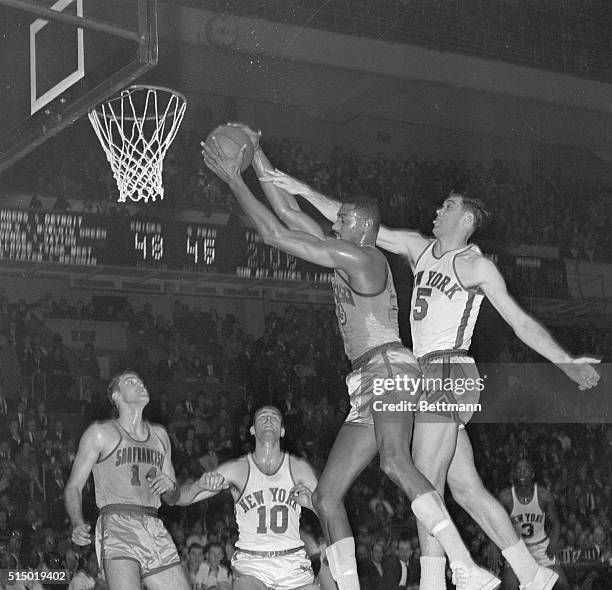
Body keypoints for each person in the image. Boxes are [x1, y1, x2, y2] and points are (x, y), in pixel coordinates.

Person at [261, 168, 600, 590]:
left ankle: (436, 581)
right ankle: (533, 574)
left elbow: (519, 323)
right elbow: (355, 225)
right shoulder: (419, 248)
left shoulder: (474, 264)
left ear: (467, 220)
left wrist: (565, 361)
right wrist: (301, 189)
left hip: (449, 369)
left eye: (448, 207)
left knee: (424, 477)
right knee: (466, 489)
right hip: (423, 373)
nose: (438, 210)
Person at [202, 131, 499, 590]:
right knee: (325, 496)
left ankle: (462, 565)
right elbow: (287, 210)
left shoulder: (361, 255)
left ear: (360, 226)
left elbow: (274, 233)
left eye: (341, 218)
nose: (333, 222)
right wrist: (257, 153)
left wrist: (233, 180)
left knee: (397, 463)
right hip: (368, 377)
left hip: (390, 370)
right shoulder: (346, 250)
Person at [64, 370, 190, 590]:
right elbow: (73, 487)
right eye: (131, 382)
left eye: (142, 381)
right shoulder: (100, 433)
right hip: (117, 524)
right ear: (116, 395)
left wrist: (171, 487)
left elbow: (172, 497)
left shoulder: (160, 435)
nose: (141, 384)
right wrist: (77, 522)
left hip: (153, 525)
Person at [173, 405, 319, 590]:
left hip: (292, 560)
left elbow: (330, 512)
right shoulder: (236, 469)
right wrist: (198, 486)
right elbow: (181, 498)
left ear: (282, 430)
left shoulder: (300, 468)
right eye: (262, 417)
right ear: (252, 429)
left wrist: (312, 505)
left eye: (274, 416)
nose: (268, 419)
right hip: (252, 562)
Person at [499, 460, 570, 590]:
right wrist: (493, 548)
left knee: (563, 584)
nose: (522, 472)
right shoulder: (506, 497)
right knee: (510, 586)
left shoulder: (544, 495)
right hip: (517, 548)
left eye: (525, 469)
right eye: (519, 469)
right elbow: (496, 524)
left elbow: (555, 523)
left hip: (540, 547)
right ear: (514, 473)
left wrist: (553, 542)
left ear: (532, 474)